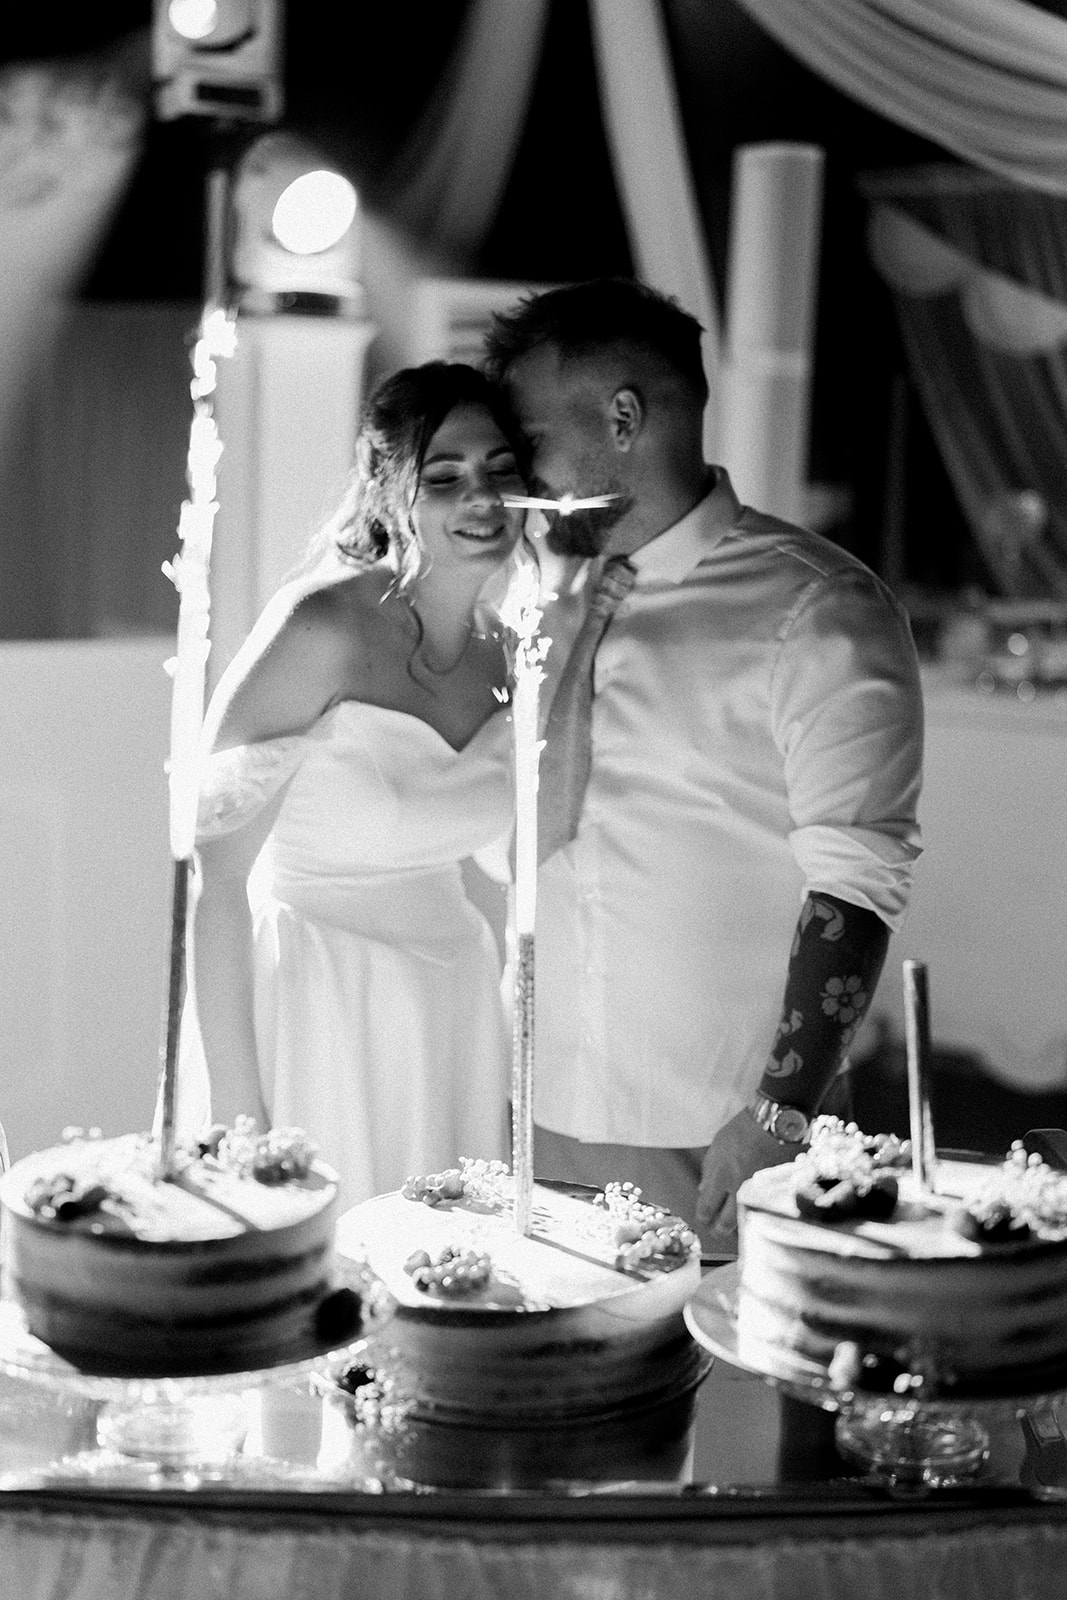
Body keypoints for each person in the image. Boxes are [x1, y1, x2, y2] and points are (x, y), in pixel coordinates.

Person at [483, 278, 924, 1251]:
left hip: (725, 1131)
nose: (517, 468)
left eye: (530, 436)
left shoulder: (819, 608)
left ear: (623, 418)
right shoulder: (537, 592)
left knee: (732, 1355)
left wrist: (779, 1114)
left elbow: (856, 881)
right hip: (533, 1108)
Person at [179, 362, 528, 1208]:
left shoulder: (516, 650)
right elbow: (213, 877)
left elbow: (515, 862)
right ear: (384, 486)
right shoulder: (321, 626)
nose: (481, 498)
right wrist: (238, 1114)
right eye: (443, 477)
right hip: (315, 1000)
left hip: (449, 1003)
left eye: (500, 469)